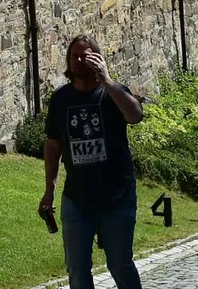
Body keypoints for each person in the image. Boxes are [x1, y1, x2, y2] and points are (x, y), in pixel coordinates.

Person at [40, 35, 146, 289]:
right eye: (74, 56)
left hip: (117, 197)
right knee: (77, 270)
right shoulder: (61, 99)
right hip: (77, 199)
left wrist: (107, 81)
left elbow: (134, 116)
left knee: (119, 264)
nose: (78, 61)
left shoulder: (113, 93)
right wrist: (49, 191)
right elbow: (53, 145)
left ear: (97, 58)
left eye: (85, 56)